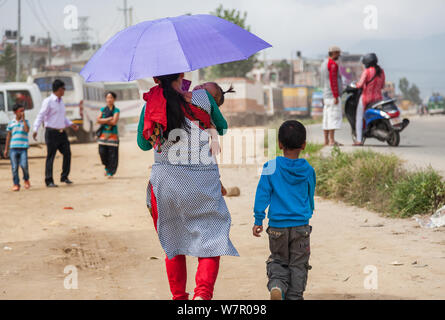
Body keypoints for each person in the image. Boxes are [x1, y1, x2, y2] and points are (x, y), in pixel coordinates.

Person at [137, 73, 238, 300]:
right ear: (182, 74)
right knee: (212, 238)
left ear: (155, 79)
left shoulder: (150, 104)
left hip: (166, 183)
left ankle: (179, 297)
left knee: (173, 242)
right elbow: (221, 128)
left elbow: (143, 144)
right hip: (201, 181)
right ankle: (202, 295)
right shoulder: (203, 98)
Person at [253, 120, 316, 300]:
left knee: (279, 260)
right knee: (298, 264)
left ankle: (277, 286)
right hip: (301, 226)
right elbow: (309, 194)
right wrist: (308, 211)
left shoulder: (270, 167)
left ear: (280, 144)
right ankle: (294, 296)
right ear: (303, 145)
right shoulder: (308, 169)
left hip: (277, 228)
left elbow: (262, 195)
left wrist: (258, 219)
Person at [33, 79, 79, 187]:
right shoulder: (48, 101)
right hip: (51, 133)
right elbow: (41, 115)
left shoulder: (61, 102)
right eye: (63, 89)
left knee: (67, 153)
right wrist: (35, 129)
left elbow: (62, 118)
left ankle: (64, 176)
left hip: (62, 133)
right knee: (51, 156)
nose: (64, 91)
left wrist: (71, 124)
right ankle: (49, 180)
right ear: (59, 89)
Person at [354, 53, 386, 146]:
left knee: (359, 117)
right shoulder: (381, 71)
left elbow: (360, 85)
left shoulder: (367, 71)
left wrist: (355, 85)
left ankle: (359, 140)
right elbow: (382, 85)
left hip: (366, 99)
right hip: (378, 99)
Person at [4, 104, 31, 191]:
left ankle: (26, 179)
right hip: (13, 148)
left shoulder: (25, 122)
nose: (22, 113)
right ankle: (16, 183)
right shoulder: (11, 123)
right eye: (20, 111)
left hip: (23, 147)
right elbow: (8, 136)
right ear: (15, 112)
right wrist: (6, 149)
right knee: (14, 167)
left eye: (23, 111)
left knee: (24, 165)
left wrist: (23, 120)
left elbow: (27, 130)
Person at [321, 45, 343, 146]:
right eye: (338, 53)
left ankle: (326, 140)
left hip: (326, 94)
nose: (339, 55)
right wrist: (335, 95)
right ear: (334, 53)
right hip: (332, 95)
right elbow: (333, 80)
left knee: (326, 118)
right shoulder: (332, 64)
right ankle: (332, 141)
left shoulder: (323, 64)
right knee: (332, 118)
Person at [96, 91, 120, 178]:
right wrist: (109, 118)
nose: (109, 100)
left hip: (113, 136)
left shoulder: (116, 110)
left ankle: (111, 172)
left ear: (114, 99)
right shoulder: (103, 110)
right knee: (102, 153)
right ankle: (106, 167)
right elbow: (97, 120)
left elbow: (114, 122)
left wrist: (104, 120)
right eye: (107, 98)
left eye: (111, 98)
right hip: (102, 136)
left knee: (113, 155)